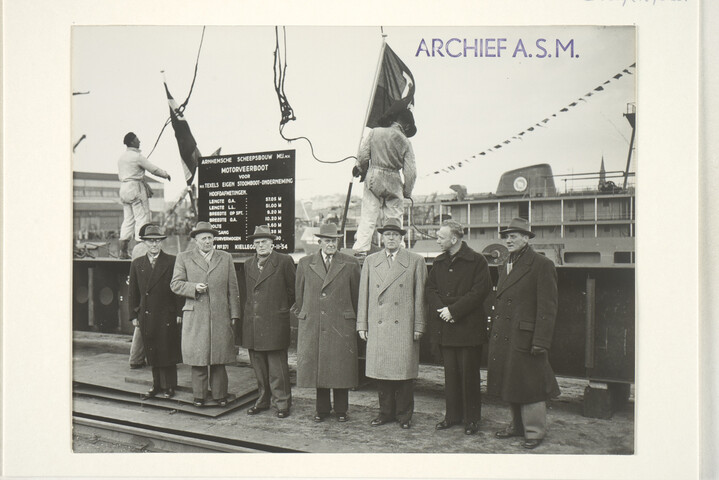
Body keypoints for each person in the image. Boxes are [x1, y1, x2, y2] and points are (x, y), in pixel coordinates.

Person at [487, 217, 561, 449]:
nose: (508, 240)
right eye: (506, 236)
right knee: (512, 381)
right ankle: (517, 426)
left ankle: (534, 431)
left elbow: (548, 307)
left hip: (526, 336)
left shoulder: (541, 264)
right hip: (508, 333)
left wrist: (541, 340)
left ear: (526, 238)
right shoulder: (508, 263)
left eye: (514, 236)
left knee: (531, 384)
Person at [357, 218, 426, 429]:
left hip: (403, 326)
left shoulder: (415, 260)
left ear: (401, 238)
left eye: (395, 235)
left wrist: (419, 326)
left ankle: (404, 416)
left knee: (403, 374)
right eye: (387, 234)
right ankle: (385, 413)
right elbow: (364, 295)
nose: (391, 238)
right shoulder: (370, 261)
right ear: (382, 237)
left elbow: (421, 297)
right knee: (381, 374)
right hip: (378, 326)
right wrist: (362, 324)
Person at [426, 220, 492, 435]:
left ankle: (472, 419)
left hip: (468, 329)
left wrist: (453, 311)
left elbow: (479, 292)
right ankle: (452, 416)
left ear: (454, 239)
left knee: (469, 376)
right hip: (447, 327)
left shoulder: (477, 261)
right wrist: (442, 310)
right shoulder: (439, 262)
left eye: (440, 237)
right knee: (450, 376)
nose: (437, 240)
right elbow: (431, 289)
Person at [293, 223, 361, 422]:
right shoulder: (305, 263)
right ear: (319, 242)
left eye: (334, 240)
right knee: (319, 367)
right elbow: (300, 295)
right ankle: (321, 410)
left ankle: (341, 410)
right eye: (327, 240)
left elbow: (356, 295)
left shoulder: (350, 263)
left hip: (341, 324)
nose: (331, 244)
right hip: (314, 322)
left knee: (340, 368)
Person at [170, 221, 241, 407]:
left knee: (219, 358)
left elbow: (233, 288)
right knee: (199, 359)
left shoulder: (225, 257)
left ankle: (220, 396)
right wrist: (194, 287)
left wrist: (235, 314)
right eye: (203, 239)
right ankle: (199, 396)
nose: (207, 241)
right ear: (195, 240)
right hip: (196, 316)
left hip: (220, 315)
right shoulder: (183, 257)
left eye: (210, 238)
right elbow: (175, 284)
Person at [242, 225, 296, 418]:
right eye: (257, 242)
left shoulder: (284, 261)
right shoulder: (248, 263)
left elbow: (293, 291)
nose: (261, 245)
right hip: (253, 324)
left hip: (274, 322)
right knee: (258, 366)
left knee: (277, 368)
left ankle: (282, 403)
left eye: (264, 241)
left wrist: (279, 308)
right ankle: (263, 400)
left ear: (272, 243)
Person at [351, 105, 417, 255]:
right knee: (394, 217)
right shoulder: (406, 142)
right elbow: (411, 172)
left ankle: (361, 248)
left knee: (368, 214)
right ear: (406, 125)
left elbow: (362, 156)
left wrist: (360, 168)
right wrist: (407, 191)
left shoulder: (375, 132)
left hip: (373, 176)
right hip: (394, 179)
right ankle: (397, 251)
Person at [127, 224, 183, 399]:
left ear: (161, 243)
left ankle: (170, 386)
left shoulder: (172, 261)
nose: (154, 245)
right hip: (147, 314)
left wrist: (180, 313)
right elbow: (133, 292)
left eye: (157, 241)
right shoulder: (137, 264)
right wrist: (133, 315)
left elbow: (177, 288)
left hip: (167, 313)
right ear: (144, 243)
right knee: (152, 349)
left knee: (167, 349)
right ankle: (156, 385)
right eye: (150, 242)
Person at [117, 132, 172, 259]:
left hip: (124, 188)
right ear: (132, 142)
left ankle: (123, 252)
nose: (139, 141)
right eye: (137, 140)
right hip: (135, 188)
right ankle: (140, 253)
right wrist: (165, 174)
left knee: (128, 219)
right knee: (142, 218)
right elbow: (153, 169)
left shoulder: (121, 158)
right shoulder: (137, 157)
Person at [128, 223, 150, 369]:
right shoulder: (147, 248)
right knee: (144, 326)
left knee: (141, 325)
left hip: (139, 290)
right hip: (148, 290)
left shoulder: (137, 248)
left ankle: (136, 359)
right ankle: (137, 358)